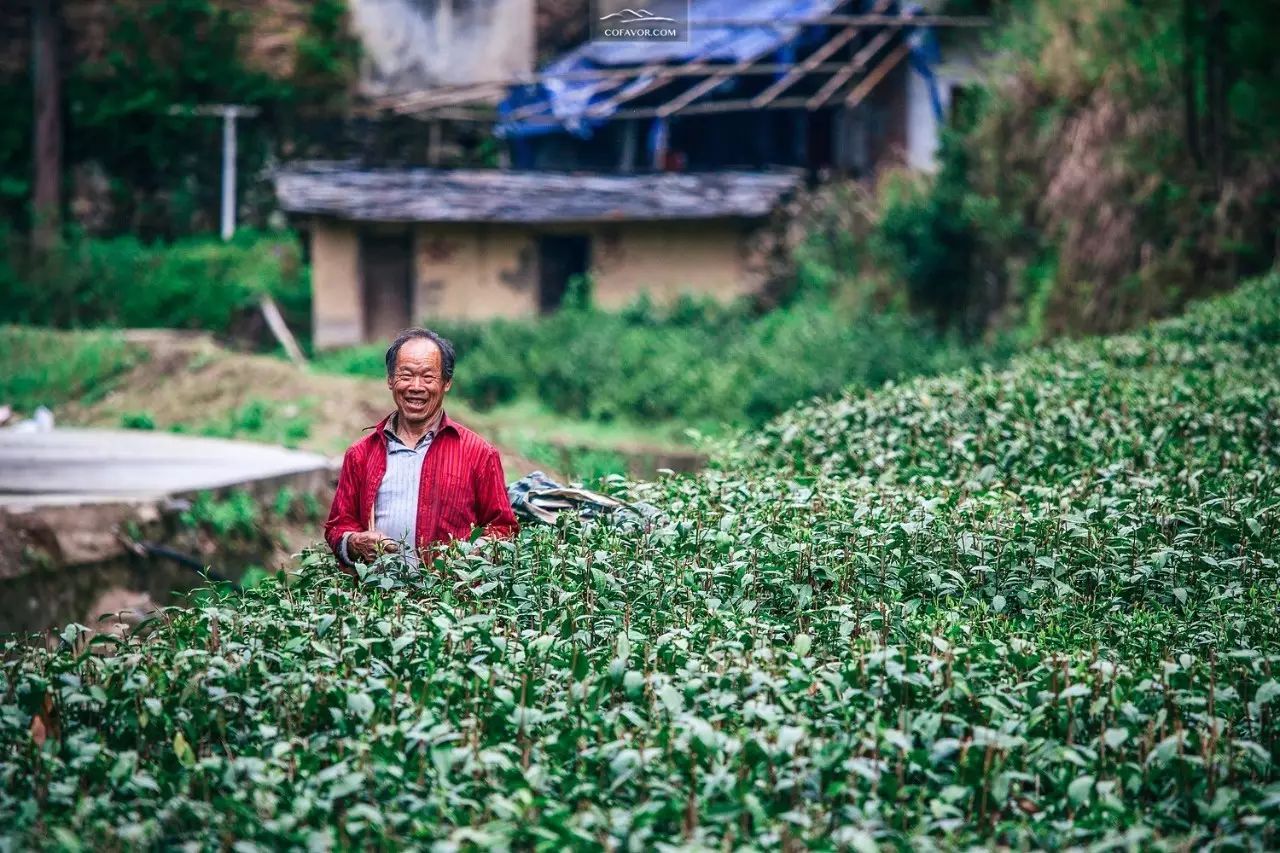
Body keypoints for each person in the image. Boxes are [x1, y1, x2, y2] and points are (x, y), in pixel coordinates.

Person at [324, 328, 517, 569]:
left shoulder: (478, 453)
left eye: (428, 377)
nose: (416, 386)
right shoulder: (361, 454)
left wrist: (471, 554)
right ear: (390, 380)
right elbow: (338, 526)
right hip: (379, 602)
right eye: (406, 375)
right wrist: (353, 542)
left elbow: (504, 529)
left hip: (450, 602)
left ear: (446, 383)